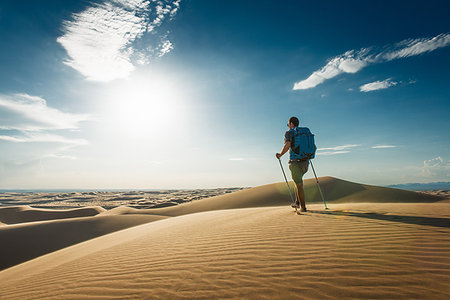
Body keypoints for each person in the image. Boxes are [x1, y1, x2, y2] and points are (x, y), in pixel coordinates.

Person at [276, 116, 309, 212]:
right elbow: (314, 147)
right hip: (306, 162)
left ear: (291, 124)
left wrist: (280, 154)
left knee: (299, 185)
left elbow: (287, 145)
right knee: (297, 182)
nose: (288, 126)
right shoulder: (305, 133)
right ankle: (297, 202)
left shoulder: (289, 133)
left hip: (295, 163)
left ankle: (303, 208)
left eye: (288, 124)